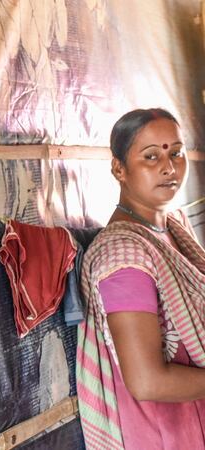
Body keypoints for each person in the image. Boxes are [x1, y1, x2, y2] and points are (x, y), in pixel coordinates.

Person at [77, 108, 205, 449]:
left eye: (175, 152)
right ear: (119, 168)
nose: (168, 167)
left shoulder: (173, 230)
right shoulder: (124, 256)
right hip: (165, 432)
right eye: (151, 156)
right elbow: (147, 381)